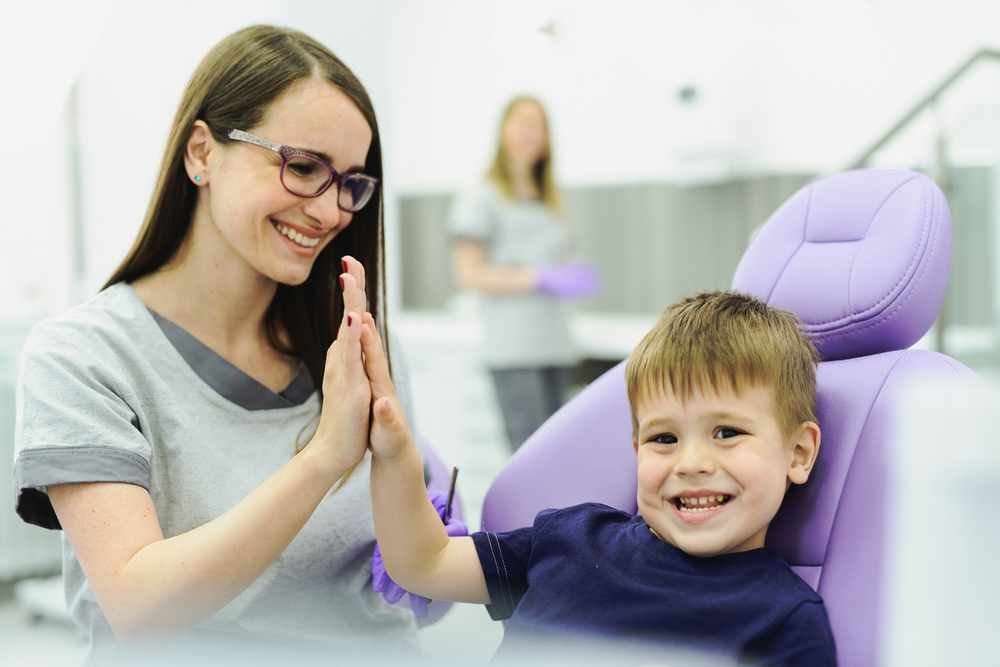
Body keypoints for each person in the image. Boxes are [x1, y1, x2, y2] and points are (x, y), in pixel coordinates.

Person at [13, 25, 419, 665]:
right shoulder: (82, 357)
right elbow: (139, 609)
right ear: (201, 153)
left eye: (350, 184)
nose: (330, 211)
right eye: (304, 166)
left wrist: (424, 540)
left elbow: (419, 569)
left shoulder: (349, 338)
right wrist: (323, 457)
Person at [353, 290, 837, 665]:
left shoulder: (784, 622)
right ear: (636, 450)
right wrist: (394, 454)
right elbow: (424, 562)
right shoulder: (570, 539)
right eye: (663, 439)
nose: (690, 463)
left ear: (798, 453)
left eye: (727, 432)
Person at [448, 96, 602, 451]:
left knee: (558, 453)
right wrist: (539, 278)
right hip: (514, 351)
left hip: (556, 346)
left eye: (540, 125)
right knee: (528, 456)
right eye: (523, 122)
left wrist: (568, 277)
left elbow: (556, 260)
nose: (532, 132)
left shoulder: (550, 200)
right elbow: (468, 274)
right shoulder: (481, 198)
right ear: (503, 130)